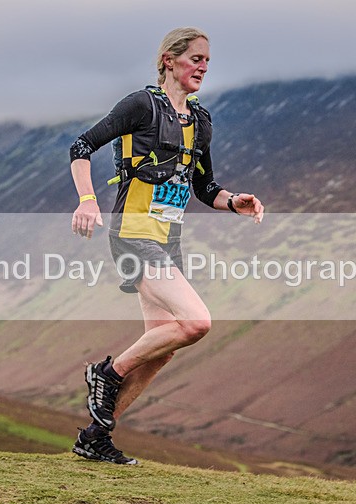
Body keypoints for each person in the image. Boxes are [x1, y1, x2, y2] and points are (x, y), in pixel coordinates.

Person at [69, 27, 264, 464]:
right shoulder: (140, 105)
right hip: (133, 234)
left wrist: (235, 202)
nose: (204, 67)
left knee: (162, 347)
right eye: (196, 59)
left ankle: (95, 438)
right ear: (168, 60)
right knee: (196, 322)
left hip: (167, 241)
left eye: (208, 62)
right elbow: (81, 146)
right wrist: (86, 199)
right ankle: (107, 372)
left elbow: (204, 186)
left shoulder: (201, 121)